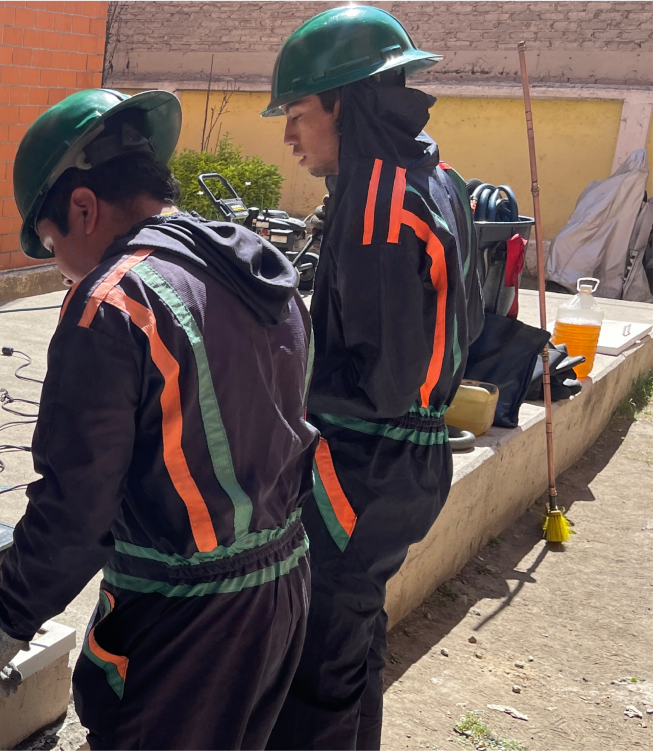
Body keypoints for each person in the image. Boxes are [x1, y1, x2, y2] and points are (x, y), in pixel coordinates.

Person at [0, 88, 319, 750]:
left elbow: (76, 504)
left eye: (51, 245)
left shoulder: (110, 302)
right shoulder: (247, 264)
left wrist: (14, 612)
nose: (59, 271)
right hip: (282, 588)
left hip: (187, 625)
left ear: (82, 208)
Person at [261, 8, 483, 749]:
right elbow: (469, 318)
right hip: (413, 462)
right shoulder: (436, 175)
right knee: (355, 645)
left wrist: (279, 384)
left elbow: (378, 378)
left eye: (296, 115)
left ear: (343, 103)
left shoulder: (378, 202)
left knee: (316, 669)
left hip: (364, 465)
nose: (289, 136)